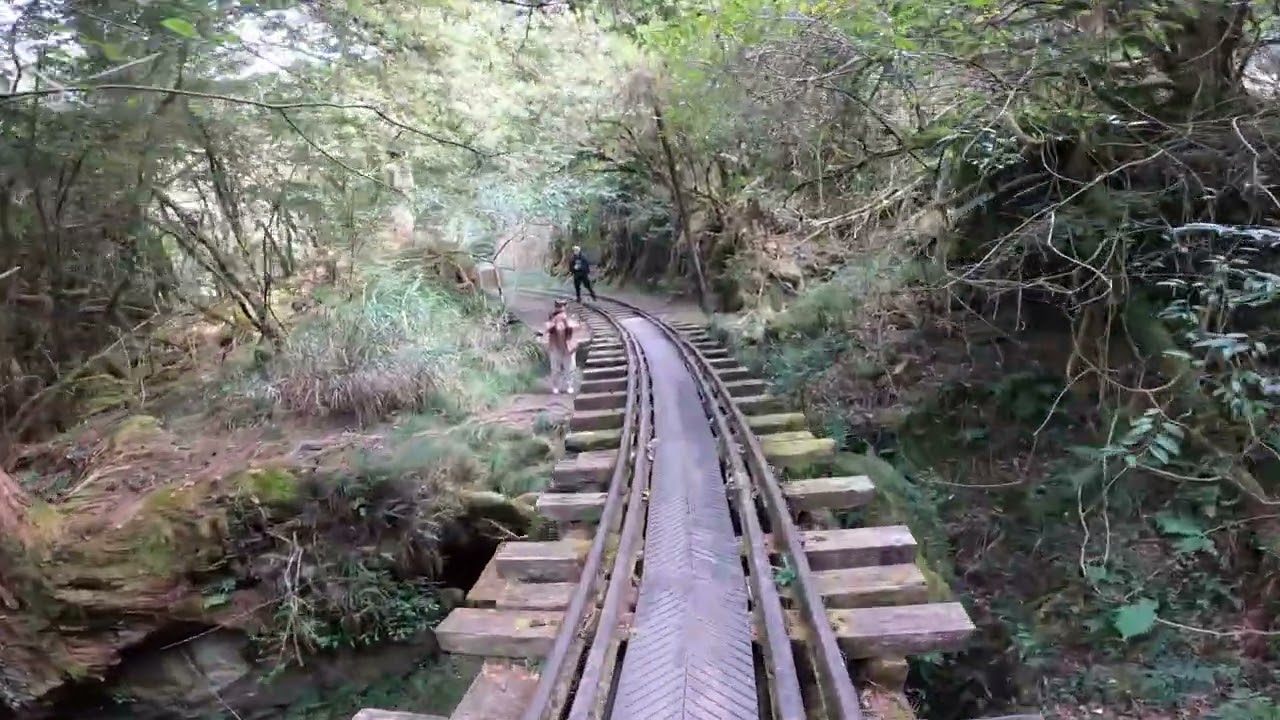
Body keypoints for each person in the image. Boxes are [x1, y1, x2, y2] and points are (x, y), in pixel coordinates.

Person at [539, 299, 582, 395]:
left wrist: (567, 322)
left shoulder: (570, 316)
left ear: (565, 306)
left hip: (569, 347)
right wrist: (554, 322)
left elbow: (577, 326)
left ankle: (569, 386)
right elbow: (545, 328)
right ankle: (555, 386)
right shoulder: (551, 317)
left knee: (570, 368)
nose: (560, 307)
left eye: (562, 305)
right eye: (558, 305)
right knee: (555, 369)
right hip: (555, 346)